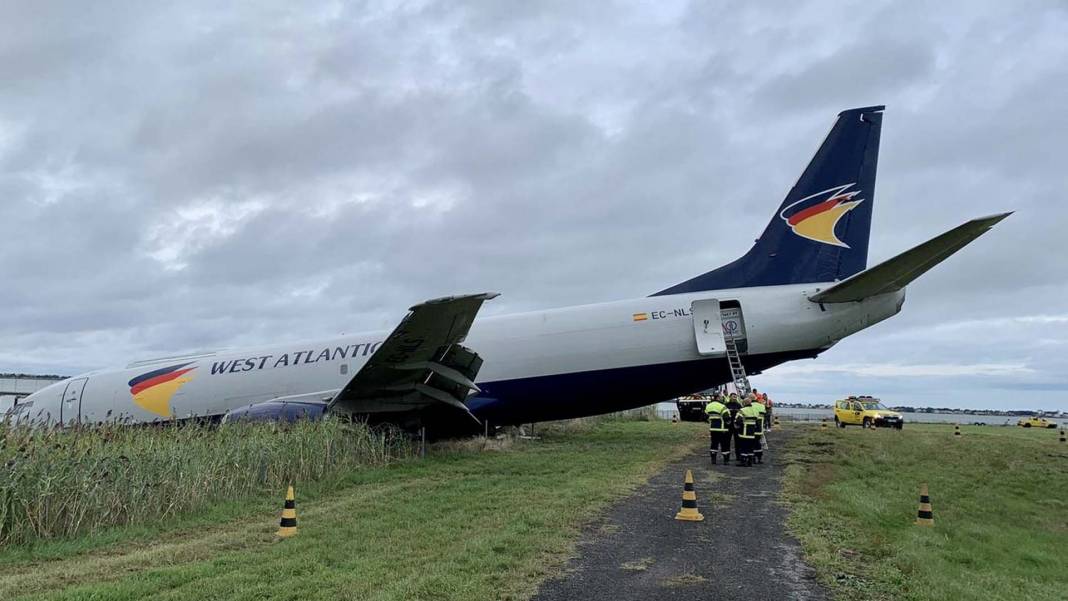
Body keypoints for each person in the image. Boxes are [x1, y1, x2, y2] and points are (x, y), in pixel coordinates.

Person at [704, 394, 731, 464]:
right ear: (718, 398)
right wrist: (729, 424)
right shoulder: (722, 406)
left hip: (713, 429)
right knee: (724, 444)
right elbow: (727, 418)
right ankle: (726, 460)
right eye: (721, 397)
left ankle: (713, 459)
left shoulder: (708, 406)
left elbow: (704, 416)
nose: (722, 398)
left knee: (714, 443)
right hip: (722, 429)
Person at [735, 399, 757, 466]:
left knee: (743, 447)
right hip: (752, 432)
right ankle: (750, 461)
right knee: (750, 447)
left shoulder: (742, 410)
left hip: (744, 431)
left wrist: (737, 426)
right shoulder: (755, 410)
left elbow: (738, 420)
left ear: (744, 403)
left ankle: (743, 461)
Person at [725, 392, 743, 462]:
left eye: (735, 396)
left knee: (738, 442)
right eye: (733, 396)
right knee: (727, 441)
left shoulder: (738, 405)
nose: (734, 397)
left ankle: (738, 456)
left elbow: (741, 414)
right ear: (730, 397)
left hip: (736, 426)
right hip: (728, 425)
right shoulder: (726, 405)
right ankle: (727, 456)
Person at [749, 395, 766, 464]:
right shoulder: (762, 406)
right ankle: (759, 458)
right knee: (758, 443)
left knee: (751, 444)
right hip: (759, 428)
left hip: (750, 428)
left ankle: (752, 458)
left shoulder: (749, 406)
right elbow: (764, 414)